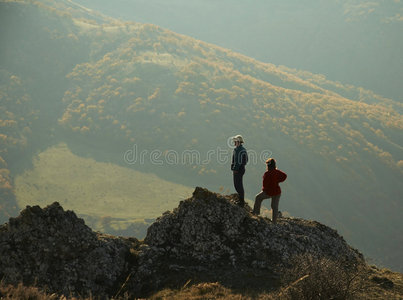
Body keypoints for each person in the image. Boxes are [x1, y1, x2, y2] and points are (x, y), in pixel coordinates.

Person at [253, 158, 287, 223]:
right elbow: (284, 176)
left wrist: (264, 190)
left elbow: (265, 184)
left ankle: (256, 213)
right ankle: (274, 221)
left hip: (268, 192)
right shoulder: (277, 172)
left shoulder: (267, 174)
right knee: (274, 206)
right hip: (277, 192)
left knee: (258, 198)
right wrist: (278, 181)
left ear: (268, 166)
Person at [231, 135, 248, 206]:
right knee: (238, 184)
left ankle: (241, 202)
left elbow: (238, 161)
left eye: (235, 141)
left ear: (238, 142)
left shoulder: (238, 150)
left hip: (238, 170)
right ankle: (240, 200)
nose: (234, 143)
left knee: (238, 185)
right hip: (241, 169)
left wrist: (235, 169)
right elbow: (246, 160)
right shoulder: (242, 149)